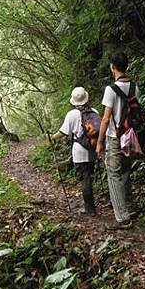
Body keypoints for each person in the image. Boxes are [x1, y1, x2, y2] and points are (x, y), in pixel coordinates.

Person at [96, 52, 139, 229]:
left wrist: (99, 142)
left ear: (113, 67)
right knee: (126, 170)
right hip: (130, 135)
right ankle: (129, 206)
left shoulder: (110, 90)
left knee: (113, 174)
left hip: (114, 137)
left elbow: (106, 119)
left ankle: (122, 217)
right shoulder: (135, 87)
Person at [48, 87, 99, 215]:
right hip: (92, 150)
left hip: (79, 152)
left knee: (85, 179)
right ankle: (91, 205)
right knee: (89, 177)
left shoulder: (72, 115)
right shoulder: (94, 111)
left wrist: (52, 137)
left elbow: (63, 132)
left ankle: (90, 209)